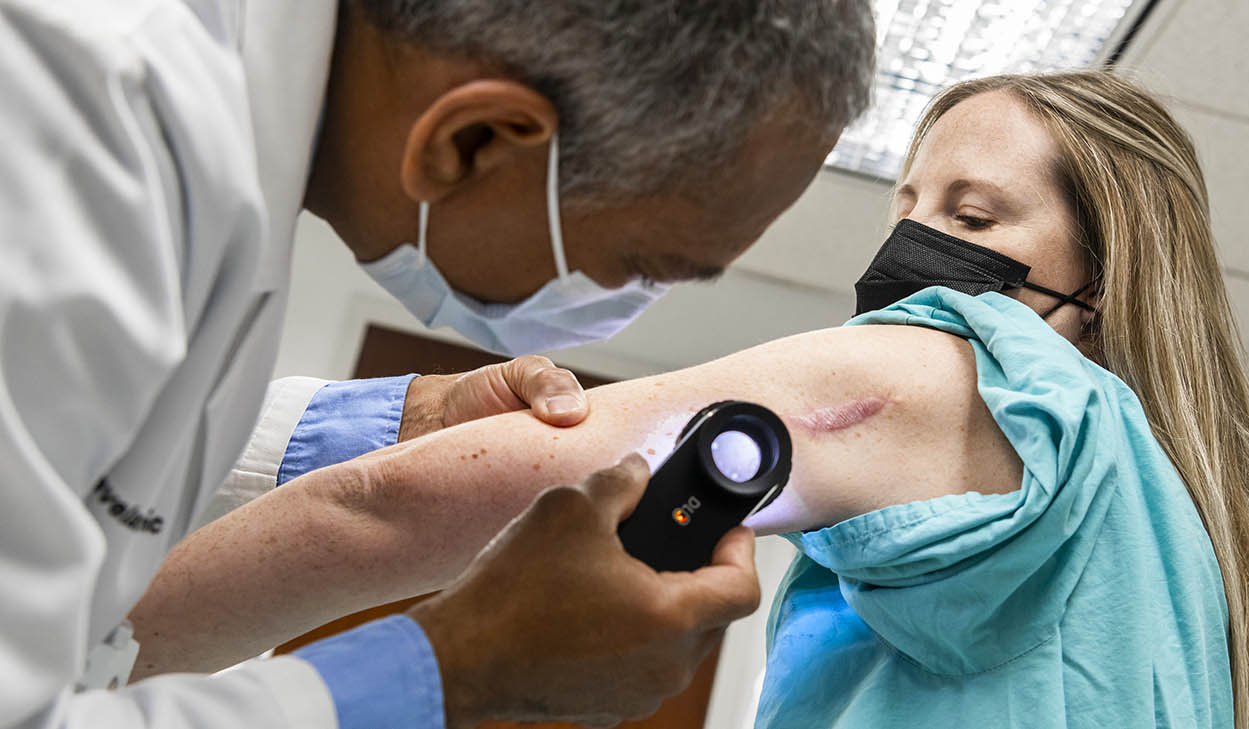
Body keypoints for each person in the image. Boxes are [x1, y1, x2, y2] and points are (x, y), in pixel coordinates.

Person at [135, 70, 1249, 729]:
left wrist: (80, 663)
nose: (913, 245)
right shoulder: (1193, 546)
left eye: (971, 217)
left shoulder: (951, 359)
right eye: (905, 200)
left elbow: (397, 507)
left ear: (1099, 282)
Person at [0, 1, 877, 728]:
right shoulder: (72, 133)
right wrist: (462, 667)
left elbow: (79, 415)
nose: (633, 302)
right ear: (473, 140)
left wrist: (389, 429)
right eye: (645, 262)